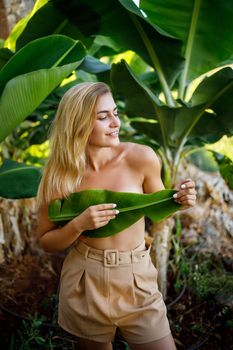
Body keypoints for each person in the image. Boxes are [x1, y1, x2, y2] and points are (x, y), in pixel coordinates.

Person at [36, 82, 196, 350]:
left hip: (136, 277)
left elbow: (159, 214)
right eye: (103, 117)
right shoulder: (59, 178)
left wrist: (178, 202)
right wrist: (78, 225)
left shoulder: (141, 158)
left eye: (115, 113)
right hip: (85, 280)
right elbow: (45, 241)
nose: (115, 123)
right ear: (78, 123)